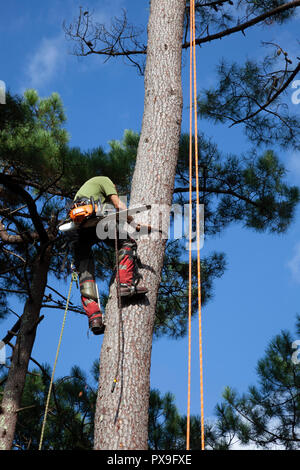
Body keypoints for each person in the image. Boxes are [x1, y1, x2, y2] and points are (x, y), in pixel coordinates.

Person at [71, 176, 148, 335]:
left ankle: (94, 318)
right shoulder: (105, 180)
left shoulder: (85, 191)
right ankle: (124, 285)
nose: (114, 190)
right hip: (94, 220)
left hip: (78, 229)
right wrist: (135, 224)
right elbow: (119, 205)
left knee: (85, 271)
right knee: (127, 243)